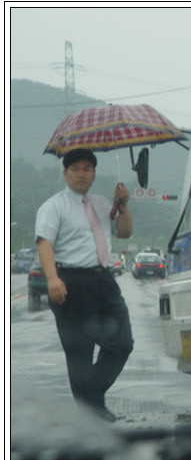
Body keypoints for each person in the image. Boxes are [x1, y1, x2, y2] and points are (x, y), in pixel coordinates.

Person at [35, 148, 134, 422]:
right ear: (65, 173)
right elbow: (45, 242)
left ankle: (89, 398)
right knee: (79, 350)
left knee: (122, 343)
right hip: (70, 282)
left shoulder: (103, 204)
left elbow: (125, 232)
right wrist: (53, 278)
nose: (82, 173)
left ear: (94, 173)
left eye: (87, 168)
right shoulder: (54, 206)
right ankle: (91, 411)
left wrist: (123, 205)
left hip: (103, 279)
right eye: (75, 168)